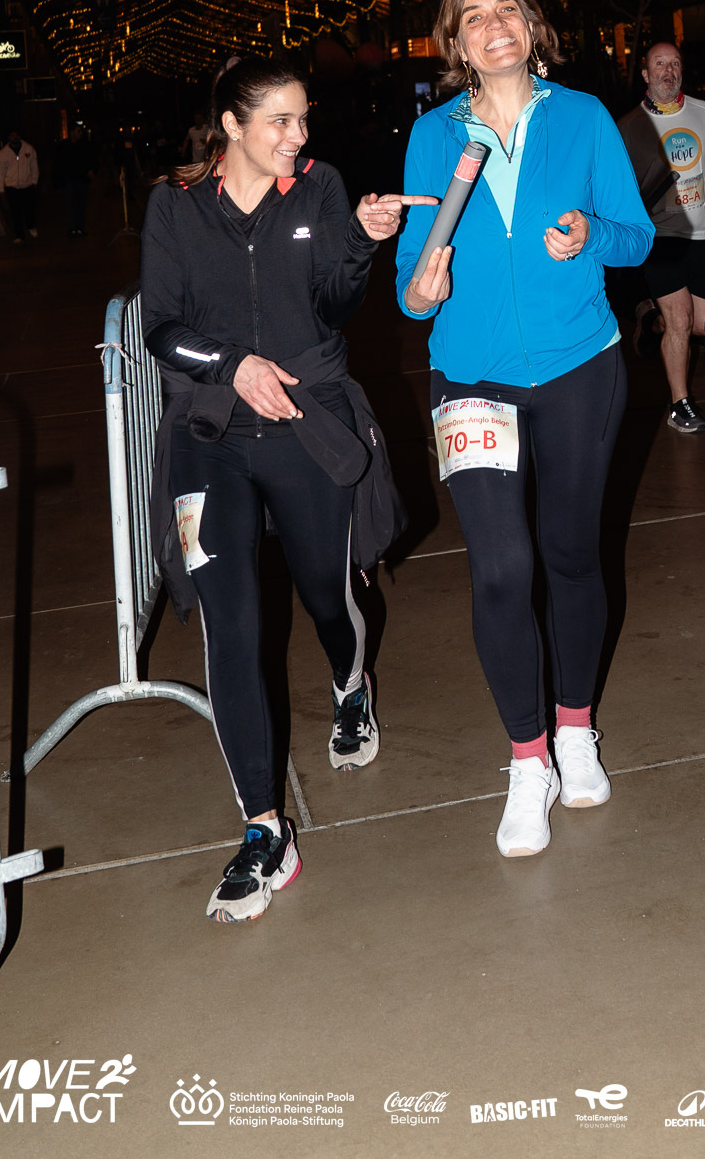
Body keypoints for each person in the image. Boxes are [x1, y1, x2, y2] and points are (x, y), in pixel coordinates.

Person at [141, 57, 432, 922]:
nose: (298, 136)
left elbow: (335, 303)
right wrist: (232, 367)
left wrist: (363, 242)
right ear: (231, 125)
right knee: (231, 624)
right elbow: (160, 327)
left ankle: (351, 686)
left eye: (303, 119)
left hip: (307, 422)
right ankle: (264, 829)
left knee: (325, 595)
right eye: (279, 121)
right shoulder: (175, 206)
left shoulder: (320, 188)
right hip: (211, 435)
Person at [397, 0, 653, 859]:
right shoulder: (433, 136)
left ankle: (576, 728)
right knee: (503, 570)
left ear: (532, 25)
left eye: (508, 8)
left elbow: (636, 236)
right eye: (474, 17)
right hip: (471, 374)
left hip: (581, 366)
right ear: (457, 43)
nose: (494, 24)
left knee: (572, 553)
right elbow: (412, 283)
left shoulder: (582, 118)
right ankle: (527, 760)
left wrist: (590, 233)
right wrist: (421, 290)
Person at [617, 42, 705, 432]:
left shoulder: (703, 112)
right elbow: (617, 187)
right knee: (681, 320)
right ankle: (679, 405)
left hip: (702, 233)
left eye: (675, 64)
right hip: (660, 236)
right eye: (660, 64)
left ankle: (650, 318)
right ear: (646, 74)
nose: (668, 71)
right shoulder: (629, 126)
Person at [52, 124, 96, 235]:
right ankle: (72, 228)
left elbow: (90, 159)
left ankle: (80, 227)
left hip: (81, 180)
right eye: (78, 131)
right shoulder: (63, 146)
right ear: (72, 132)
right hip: (68, 180)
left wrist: (90, 170)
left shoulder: (84, 145)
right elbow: (58, 163)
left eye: (80, 131)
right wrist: (58, 181)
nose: (80, 133)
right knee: (70, 205)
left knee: (81, 204)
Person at [0, 131, 39, 241]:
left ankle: (31, 226)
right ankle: (19, 234)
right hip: (12, 186)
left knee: (29, 209)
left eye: (16, 135)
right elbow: (0, 171)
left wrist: (34, 181)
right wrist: (1, 188)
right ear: (9, 137)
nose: (14, 138)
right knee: (15, 211)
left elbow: (34, 166)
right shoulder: (4, 153)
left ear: (20, 136)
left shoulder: (29, 149)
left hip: (27, 185)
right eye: (12, 136)